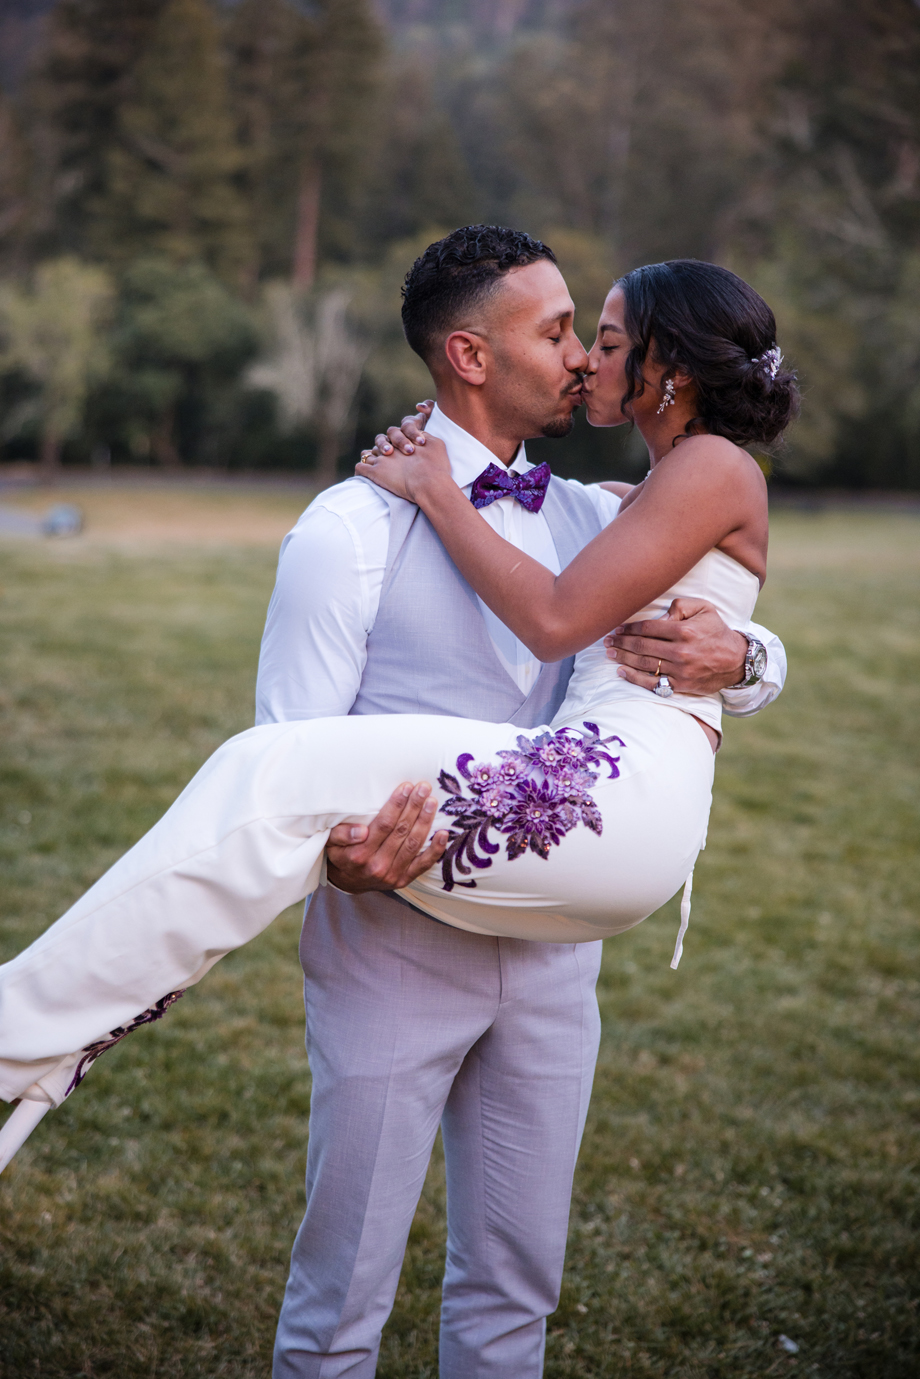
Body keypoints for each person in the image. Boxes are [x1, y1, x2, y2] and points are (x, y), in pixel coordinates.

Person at [0, 229, 794, 1379]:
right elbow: (299, 740)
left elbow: (697, 598)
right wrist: (346, 858)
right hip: (393, 944)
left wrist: (752, 658)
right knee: (341, 1297)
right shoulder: (349, 526)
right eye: (557, 332)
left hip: (552, 942)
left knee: (515, 1285)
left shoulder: (593, 512)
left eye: (593, 334)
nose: (581, 356)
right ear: (469, 355)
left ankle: (24, 1030)